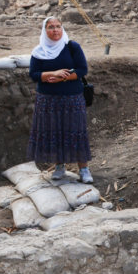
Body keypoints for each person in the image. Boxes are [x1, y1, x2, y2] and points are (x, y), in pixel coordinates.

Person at [27, 17, 93, 184]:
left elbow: (82, 69)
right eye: (51, 27)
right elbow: (34, 74)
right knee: (54, 131)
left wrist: (62, 78)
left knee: (76, 131)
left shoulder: (71, 47)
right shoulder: (39, 51)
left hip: (72, 98)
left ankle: (84, 169)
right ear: (45, 30)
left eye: (58, 26)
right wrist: (52, 74)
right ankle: (59, 166)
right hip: (48, 100)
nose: (55, 30)